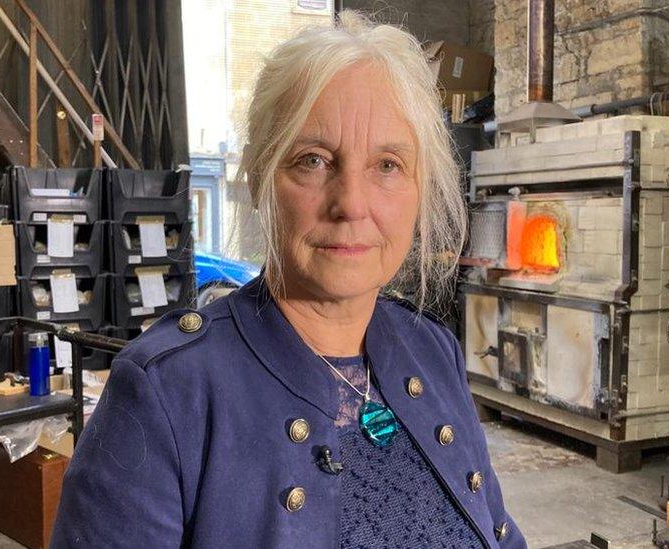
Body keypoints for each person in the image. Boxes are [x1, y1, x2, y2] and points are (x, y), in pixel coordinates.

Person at [51, 10, 526, 548]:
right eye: (314, 160)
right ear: (259, 181)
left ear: (421, 189)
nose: (350, 203)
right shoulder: (166, 391)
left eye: (388, 165)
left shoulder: (432, 350)